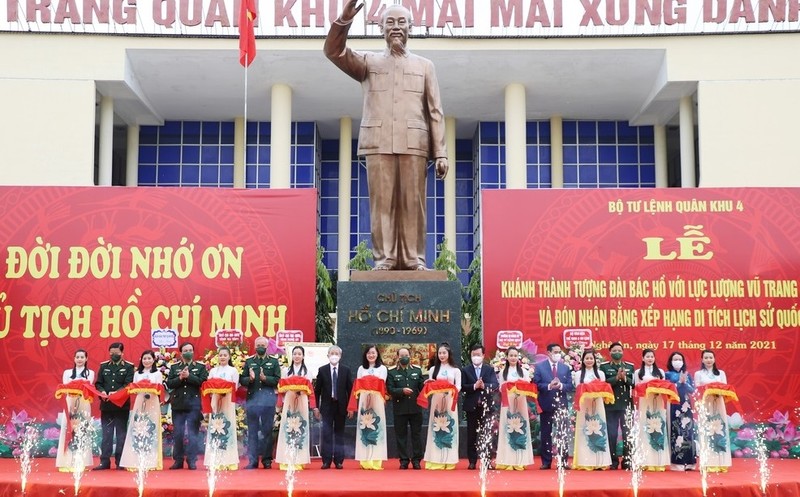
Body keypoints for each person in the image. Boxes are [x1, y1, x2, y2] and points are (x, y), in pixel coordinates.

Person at [324, 0, 448, 271]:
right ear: (381, 28)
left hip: (414, 143)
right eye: (389, 22)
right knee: (381, 205)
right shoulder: (368, 63)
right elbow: (333, 51)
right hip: (378, 143)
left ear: (411, 28)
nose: (395, 28)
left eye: (401, 22)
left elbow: (435, 110)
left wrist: (440, 152)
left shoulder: (425, 66)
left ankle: (415, 259)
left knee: (413, 204)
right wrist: (344, 20)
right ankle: (385, 259)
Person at [165, 342, 208, 470]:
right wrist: (180, 378)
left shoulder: (200, 367)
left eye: (190, 350)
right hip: (178, 405)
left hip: (193, 406)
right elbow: (169, 384)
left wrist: (189, 377)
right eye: (185, 350)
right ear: (181, 353)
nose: (188, 352)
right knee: (178, 434)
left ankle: (192, 460)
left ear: (193, 352)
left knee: (193, 434)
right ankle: (178, 460)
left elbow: (203, 382)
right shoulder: (174, 367)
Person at [240, 336, 281, 469]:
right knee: (252, 432)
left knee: (267, 431)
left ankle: (267, 460)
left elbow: (277, 380)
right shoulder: (249, 361)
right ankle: (252, 460)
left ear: (267, 346)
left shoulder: (274, 362)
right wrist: (250, 379)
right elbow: (242, 380)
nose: (260, 347)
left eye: (263, 345)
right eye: (258, 345)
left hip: (268, 402)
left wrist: (265, 378)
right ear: (255, 346)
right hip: (252, 401)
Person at [119, 350, 164, 471]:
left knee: (151, 429)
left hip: (153, 402)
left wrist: (150, 389)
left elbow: (159, 389)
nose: (147, 361)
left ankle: (151, 461)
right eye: (144, 359)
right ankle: (135, 459)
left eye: (149, 358)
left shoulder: (158, 373)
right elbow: (134, 388)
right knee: (137, 428)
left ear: (154, 360)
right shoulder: (137, 373)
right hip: (140, 401)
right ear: (141, 360)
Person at [533, 343, 574, 470]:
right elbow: (537, 384)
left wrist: (560, 385)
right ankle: (546, 461)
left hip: (561, 404)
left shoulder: (565, 368)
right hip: (546, 404)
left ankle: (563, 461)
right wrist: (549, 386)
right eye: (555, 352)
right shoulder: (539, 367)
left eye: (559, 352)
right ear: (549, 353)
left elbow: (570, 386)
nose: (557, 354)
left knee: (562, 433)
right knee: (546, 433)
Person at [94, 342, 134, 470]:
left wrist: (117, 393)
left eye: (116, 353)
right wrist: (103, 392)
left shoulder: (128, 367)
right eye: (111, 353)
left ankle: (120, 462)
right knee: (107, 434)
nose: (114, 355)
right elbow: (98, 383)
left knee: (121, 434)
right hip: (106, 405)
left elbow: (128, 385)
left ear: (122, 353)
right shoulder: (104, 366)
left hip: (121, 406)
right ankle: (104, 462)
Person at [313, 345, 354, 469]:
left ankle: (339, 460)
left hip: (341, 406)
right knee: (326, 433)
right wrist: (316, 407)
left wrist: (351, 407)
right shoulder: (322, 370)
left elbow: (350, 390)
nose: (334, 355)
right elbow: (317, 391)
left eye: (336, 353)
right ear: (328, 355)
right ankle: (326, 461)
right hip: (326, 406)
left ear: (340, 356)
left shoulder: (346, 370)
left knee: (339, 433)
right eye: (332, 353)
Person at [422, 343, 461, 470]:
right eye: (440, 353)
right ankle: (435, 459)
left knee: (449, 427)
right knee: (436, 427)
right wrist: (428, 383)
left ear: (449, 354)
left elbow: (458, 386)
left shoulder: (455, 370)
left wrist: (450, 391)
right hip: (437, 401)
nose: (442, 355)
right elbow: (431, 384)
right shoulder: (433, 370)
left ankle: (449, 460)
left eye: (444, 353)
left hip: (450, 400)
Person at [350, 344, 389, 470]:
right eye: (368, 353)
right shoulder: (361, 368)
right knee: (364, 427)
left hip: (377, 399)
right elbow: (358, 384)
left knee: (376, 427)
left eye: (373, 353)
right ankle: (365, 460)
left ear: (377, 354)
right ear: (365, 355)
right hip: (364, 399)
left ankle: (376, 460)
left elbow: (381, 382)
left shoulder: (382, 368)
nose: (371, 355)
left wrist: (369, 382)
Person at [56, 349, 96, 472]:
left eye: (82, 357)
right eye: (77, 357)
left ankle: (82, 462)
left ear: (86, 359)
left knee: (83, 431)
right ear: (74, 359)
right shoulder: (67, 372)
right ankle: (66, 461)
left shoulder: (90, 372)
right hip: (70, 402)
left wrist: (76, 386)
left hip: (84, 403)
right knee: (68, 430)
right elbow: (66, 386)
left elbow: (87, 385)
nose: (79, 359)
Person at [276, 346, 315, 470]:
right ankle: (286, 459)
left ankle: (299, 460)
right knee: (287, 428)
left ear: (303, 356)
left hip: (302, 401)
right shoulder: (286, 371)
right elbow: (281, 389)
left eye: (299, 354)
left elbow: (310, 390)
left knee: (300, 428)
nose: (297, 356)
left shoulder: (307, 372)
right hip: (289, 400)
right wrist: (281, 404)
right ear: (291, 356)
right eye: (295, 354)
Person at [572, 349, 611, 470]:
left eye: (591, 358)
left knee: (600, 429)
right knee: (584, 431)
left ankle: (600, 461)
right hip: (584, 406)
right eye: (587, 358)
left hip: (598, 404)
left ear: (595, 360)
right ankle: (585, 461)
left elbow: (604, 389)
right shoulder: (578, 374)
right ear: (583, 360)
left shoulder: (600, 374)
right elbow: (578, 389)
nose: (589, 361)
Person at [386, 347, 425, 470]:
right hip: (400, 408)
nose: (404, 357)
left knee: (416, 435)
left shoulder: (417, 370)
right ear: (397, 357)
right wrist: (401, 391)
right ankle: (403, 460)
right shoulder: (391, 372)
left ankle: (416, 460)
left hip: (415, 408)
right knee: (401, 436)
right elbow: (390, 389)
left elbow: (422, 387)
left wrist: (428, 384)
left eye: (406, 355)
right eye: (402, 355)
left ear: (410, 356)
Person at [496, 346, 534, 470]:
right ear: (506, 357)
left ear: (518, 357)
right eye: (510, 355)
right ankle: (507, 460)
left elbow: (528, 387)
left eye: (515, 355)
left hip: (521, 404)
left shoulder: (524, 371)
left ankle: (520, 460)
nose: (513, 358)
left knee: (520, 428)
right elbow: (501, 388)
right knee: (507, 429)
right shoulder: (502, 373)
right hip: (507, 404)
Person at [462, 344, 499, 470]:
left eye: (478, 355)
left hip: (486, 407)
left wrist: (484, 386)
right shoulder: (465, 370)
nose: (476, 357)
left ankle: (487, 461)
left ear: (483, 355)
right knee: (471, 435)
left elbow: (495, 385)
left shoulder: (489, 369)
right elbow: (462, 386)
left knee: (486, 435)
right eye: (474, 355)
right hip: (471, 407)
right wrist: (474, 386)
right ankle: (472, 461)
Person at [598, 342, 635, 470]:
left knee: (627, 434)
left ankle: (627, 461)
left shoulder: (630, 367)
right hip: (611, 405)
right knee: (611, 434)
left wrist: (624, 378)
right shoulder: (604, 367)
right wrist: (616, 377)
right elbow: (603, 384)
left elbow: (634, 384)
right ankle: (613, 461)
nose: (617, 352)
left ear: (623, 352)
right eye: (614, 350)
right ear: (610, 352)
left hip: (626, 405)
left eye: (619, 350)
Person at [693, 349, 731, 472]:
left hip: (719, 403)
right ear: (702, 360)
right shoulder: (698, 374)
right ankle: (708, 463)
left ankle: (722, 462)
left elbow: (726, 388)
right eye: (706, 358)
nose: (708, 360)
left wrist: (717, 391)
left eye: (710, 357)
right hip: (705, 404)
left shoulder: (721, 373)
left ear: (714, 359)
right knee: (707, 431)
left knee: (720, 430)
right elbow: (697, 390)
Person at [204, 347, 240, 470]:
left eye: (225, 355)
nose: (222, 357)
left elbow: (235, 387)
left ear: (229, 357)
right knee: (215, 428)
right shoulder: (213, 371)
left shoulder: (233, 370)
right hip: (215, 401)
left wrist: (224, 390)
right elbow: (209, 385)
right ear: (217, 357)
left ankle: (229, 461)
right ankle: (215, 460)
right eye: (220, 355)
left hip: (228, 401)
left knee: (227, 427)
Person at [634, 348, 669, 471]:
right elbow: (636, 388)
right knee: (645, 429)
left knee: (659, 429)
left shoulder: (660, 372)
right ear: (643, 358)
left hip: (658, 402)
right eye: (647, 356)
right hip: (645, 402)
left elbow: (665, 387)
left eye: (652, 357)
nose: (650, 359)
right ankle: (645, 461)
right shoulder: (638, 372)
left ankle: (659, 461)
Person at [665, 351, 696, 471]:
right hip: (674, 404)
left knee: (688, 432)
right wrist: (679, 383)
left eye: (680, 359)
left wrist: (685, 383)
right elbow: (668, 389)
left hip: (686, 404)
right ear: (671, 362)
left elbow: (692, 390)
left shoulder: (687, 374)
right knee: (676, 431)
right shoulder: (667, 374)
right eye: (675, 359)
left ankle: (689, 462)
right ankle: (677, 462)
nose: (677, 361)